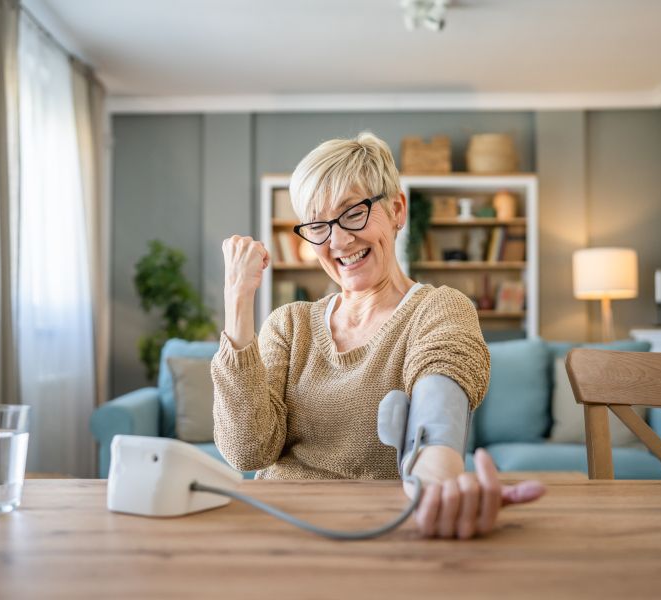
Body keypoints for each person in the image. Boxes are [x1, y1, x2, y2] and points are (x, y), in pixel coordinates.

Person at [212, 132, 545, 540]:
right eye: (318, 224)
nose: (338, 240)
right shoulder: (289, 324)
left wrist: (436, 486)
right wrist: (238, 300)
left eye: (353, 213)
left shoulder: (438, 309)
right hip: (281, 527)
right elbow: (247, 452)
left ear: (396, 210)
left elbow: (437, 413)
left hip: (379, 530)